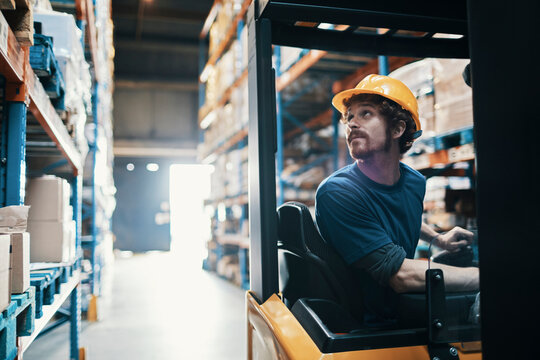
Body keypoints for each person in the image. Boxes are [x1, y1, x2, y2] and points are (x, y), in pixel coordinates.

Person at [315, 74, 479, 327]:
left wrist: (437, 238)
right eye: (350, 117)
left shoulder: (414, 182)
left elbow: (400, 212)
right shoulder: (337, 192)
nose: (352, 124)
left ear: (397, 129)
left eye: (365, 114)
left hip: (403, 307)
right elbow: (401, 276)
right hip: (367, 325)